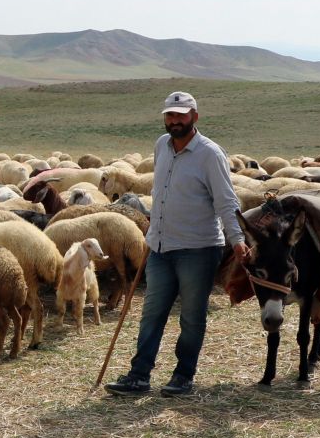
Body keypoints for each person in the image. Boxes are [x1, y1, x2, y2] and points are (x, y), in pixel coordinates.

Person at [105, 90, 247, 397]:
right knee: (151, 312)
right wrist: (151, 232)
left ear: (194, 117)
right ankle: (139, 376)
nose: (175, 121)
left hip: (198, 249)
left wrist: (236, 239)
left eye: (181, 115)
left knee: (192, 316)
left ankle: (183, 376)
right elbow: (162, 194)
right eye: (170, 115)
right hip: (160, 247)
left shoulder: (210, 154)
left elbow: (226, 201)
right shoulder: (161, 146)